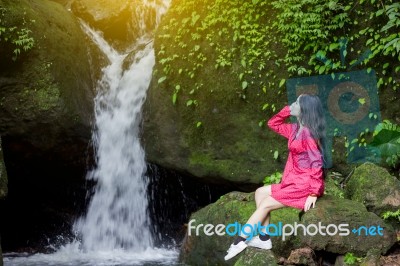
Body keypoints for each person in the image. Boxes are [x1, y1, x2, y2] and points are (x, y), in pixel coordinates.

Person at [224, 94, 327, 261]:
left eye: (296, 103)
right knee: (260, 193)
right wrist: (288, 110)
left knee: (265, 205)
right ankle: (264, 239)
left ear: (304, 109)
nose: (291, 104)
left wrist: (314, 192)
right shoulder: (295, 129)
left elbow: (316, 163)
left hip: (304, 186)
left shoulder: (307, 134)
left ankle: (240, 241)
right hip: (294, 181)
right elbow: (273, 123)